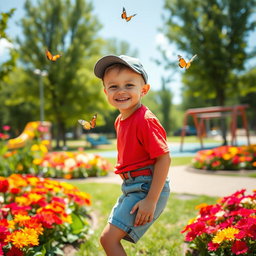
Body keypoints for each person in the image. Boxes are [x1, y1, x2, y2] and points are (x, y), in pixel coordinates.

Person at [94, 54, 171, 256]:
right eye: (113, 86)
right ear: (105, 92)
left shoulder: (145, 119)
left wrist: (151, 200)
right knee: (108, 238)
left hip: (147, 187)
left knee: (108, 239)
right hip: (131, 187)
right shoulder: (120, 120)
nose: (121, 91)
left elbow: (164, 158)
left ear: (143, 90)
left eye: (129, 85)